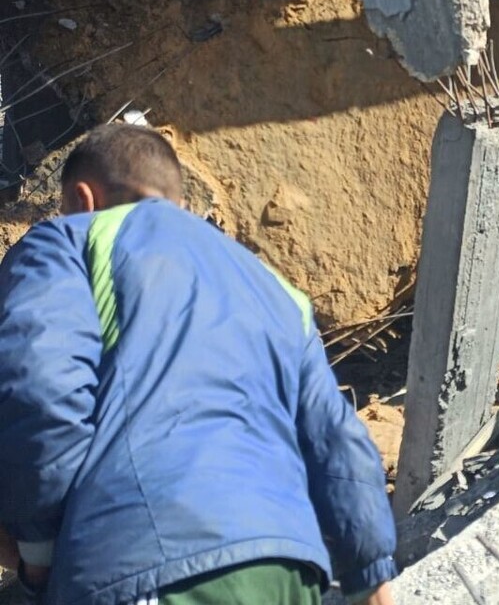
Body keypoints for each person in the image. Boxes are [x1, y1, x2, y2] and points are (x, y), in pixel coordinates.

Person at [0, 125, 396, 605]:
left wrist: (38, 549)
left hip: (140, 563)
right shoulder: (273, 286)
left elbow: (39, 390)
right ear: (181, 204)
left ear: (83, 199)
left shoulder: (67, 241)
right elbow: (336, 438)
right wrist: (371, 572)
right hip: (286, 567)